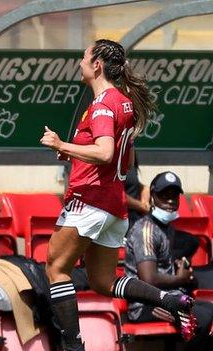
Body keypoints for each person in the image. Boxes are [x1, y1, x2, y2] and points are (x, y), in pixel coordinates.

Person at [39, 39, 195, 351]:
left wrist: (62, 145)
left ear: (97, 64)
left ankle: (73, 345)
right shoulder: (124, 103)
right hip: (113, 204)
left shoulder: (101, 105)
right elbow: (122, 158)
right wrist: (76, 156)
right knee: (103, 282)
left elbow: (105, 151)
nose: (80, 62)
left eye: (84, 56)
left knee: (56, 268)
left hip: (89, 199)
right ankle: (168, 298)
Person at [125, 171, 213, 350]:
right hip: (147, 305)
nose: (170, 201)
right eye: (164, 196)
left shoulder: (165, 228)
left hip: (169, 298)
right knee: (202, 319)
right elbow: (148, 278)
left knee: (210, 311)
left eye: (174, 196)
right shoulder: (146, 230)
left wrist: (182, 272)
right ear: (152, 197)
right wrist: (180, 279)